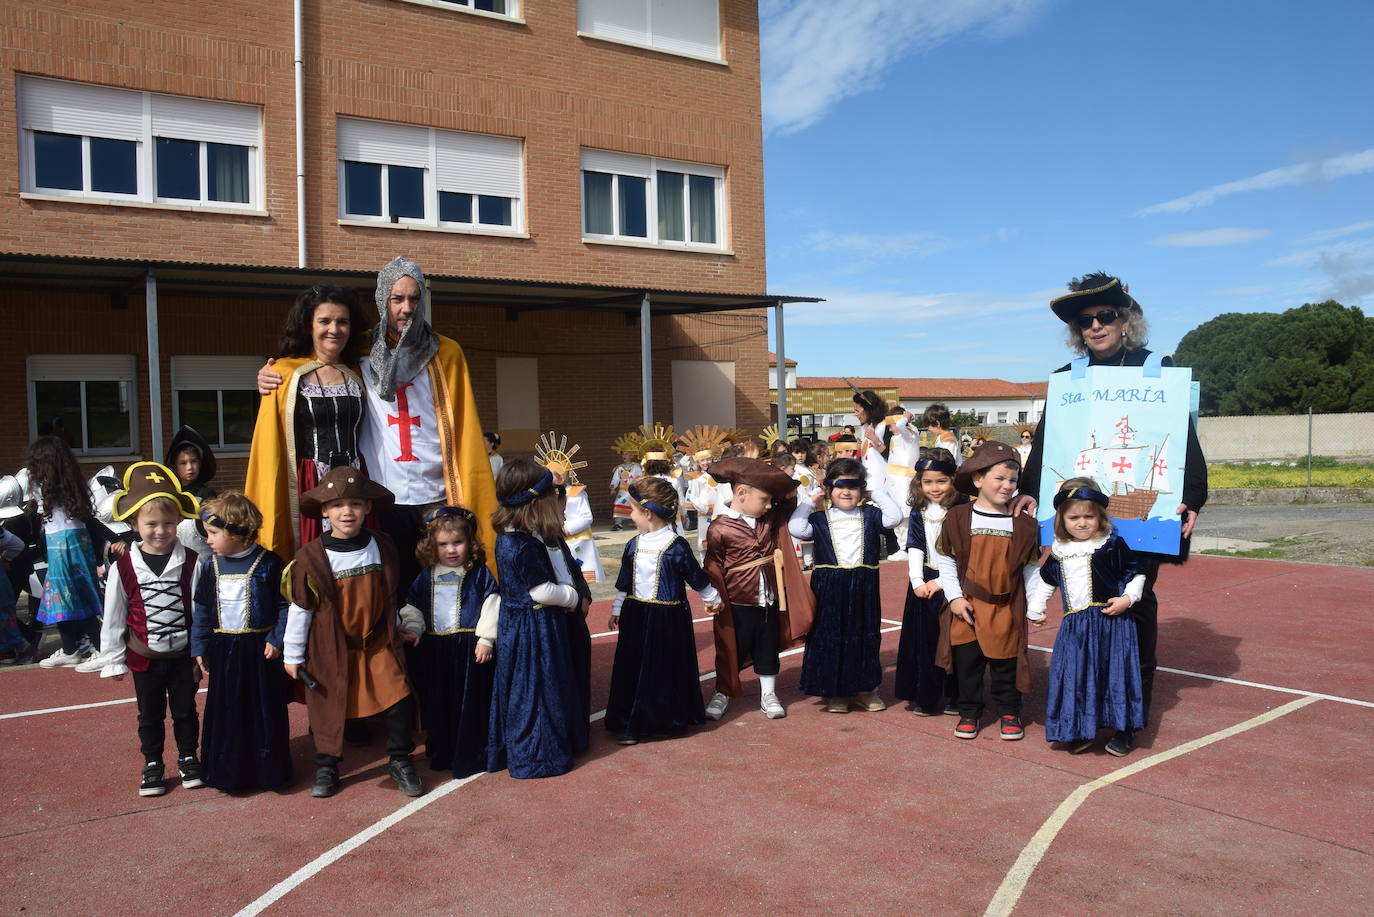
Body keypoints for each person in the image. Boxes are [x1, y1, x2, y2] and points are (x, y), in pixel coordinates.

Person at [1015, 271, 1208, 755]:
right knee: (1082, 613)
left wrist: (1194, 497)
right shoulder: (1066, 380)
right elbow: (1044, 446)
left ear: (1126, 321)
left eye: (1106, 316)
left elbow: (1184, 439)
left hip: (1139, 517)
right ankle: (1089, 713)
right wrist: (1027, 490)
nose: (1096, 326)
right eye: (1086, 321)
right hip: (1081, 517)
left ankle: (1127, 720)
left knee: (1133, 612)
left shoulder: (1155, 369)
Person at [255, 259, 499, 596]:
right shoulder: (360, 349)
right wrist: (270, 375)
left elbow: (463, 424)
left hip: (438, 491)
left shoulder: (446, 353)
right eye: (397, 299)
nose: (407, 308)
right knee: (386, 585)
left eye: (414, 299)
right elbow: (311, 365)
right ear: (382, 300)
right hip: (381, 494)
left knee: (444, 586)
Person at [282, 467, 424, 799]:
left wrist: (400, 627)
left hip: (378, 642)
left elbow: (390, 597)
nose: (347, 512)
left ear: (368, 508)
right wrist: (292, 654)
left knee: (399, 699)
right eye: (338, 505)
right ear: (325, 511)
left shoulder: (383, 546)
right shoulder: (312, 557)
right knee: (329, 709)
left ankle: (400, 760)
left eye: (356, 504)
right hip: (333, 648)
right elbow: (300, 609)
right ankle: (327, 766)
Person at [84, 462, 206, 796]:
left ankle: (188, 757)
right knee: (149, 715)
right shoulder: (124, 566)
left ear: (179, 522)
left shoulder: (194, 561)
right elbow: (114, 614)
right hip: (143, 657)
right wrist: (113, 658)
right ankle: (152, 763)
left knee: (185, 711)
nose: (160, 530)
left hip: (183, 657)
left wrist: (202, 650)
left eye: (168, 523)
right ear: (134, 523)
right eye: (151, 523)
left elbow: (200, 610)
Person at [246, 285, 369, 560]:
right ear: (308, 326)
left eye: (342, 322)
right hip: (309, 481)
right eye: (324, 321)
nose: (334, 329)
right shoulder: (284, 373)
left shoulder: (361, 370)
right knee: (313, 559)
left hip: (355, 477)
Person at [487, 460, 592, 779]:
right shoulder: (522, 545)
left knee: (528, 688)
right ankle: (538, 755)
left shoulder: (514, 535)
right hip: (533, 629)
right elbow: (541, 591)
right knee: (537, 691)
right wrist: (571, 596)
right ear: (535, 504)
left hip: (520, 624)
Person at [1027, 480, 1147, 756]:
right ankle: (1081, 727)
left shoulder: (1111, 545)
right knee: (1077, 675)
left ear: (1100, 517)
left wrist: (1127, 599)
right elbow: (1046, 581)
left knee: (1115, 675)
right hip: (1076, 627)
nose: (1082, 523)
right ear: (1062, 519)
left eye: (1088, 516)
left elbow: (1137, 573)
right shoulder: (1059, 552)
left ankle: (1123, 730)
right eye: (1074, 517)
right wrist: (1036, 608)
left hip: (1112, 623)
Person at [934, 441, 1040, 741]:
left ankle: (1009, 711)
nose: (1007, 486)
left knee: (1006, 663)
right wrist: (953, 598)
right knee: (968, 664)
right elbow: (946, 559)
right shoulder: (957, 517)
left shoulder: (1023, 524)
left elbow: (1030, 568)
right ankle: (969, 712)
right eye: (1000, 478)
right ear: (978, 479)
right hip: (967, 603)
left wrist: (1034, 606)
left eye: (1013, 480)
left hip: (1006, 606)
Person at [605, 477, 721, 744]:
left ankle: (661, 719)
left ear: (647, 513)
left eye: (633, 510)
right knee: (633, 667)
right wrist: (617, 607)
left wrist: (713, 598)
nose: (630, 515)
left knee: (661, 668)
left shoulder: (675, 545)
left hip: (667, 620)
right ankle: (628, 717)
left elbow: (696, 576)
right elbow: (625, 580)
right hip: (636, 615)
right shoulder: (633, 544)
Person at [190, 493, 293, 793]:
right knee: (228, 710)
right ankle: (230, 773)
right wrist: (199, 646)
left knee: (263, 709)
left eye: (213, 533)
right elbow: (203, 610)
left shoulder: (269, 564)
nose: (207, 540)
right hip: (225, 651)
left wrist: (276, 638)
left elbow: (285, 606)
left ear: (235, 531)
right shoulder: (210, 566)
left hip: (260, 651)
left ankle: (268, 771)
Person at [701, 457, 815, 722]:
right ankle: (722, 692)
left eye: (769, 501)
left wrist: (776, 480)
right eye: (764, 499)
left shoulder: (769, 520)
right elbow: (713, 566)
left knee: (767, 647)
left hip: (769, 600)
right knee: (730, 649)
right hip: (737, 603)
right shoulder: (719, 528)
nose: (768, 505)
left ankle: (769, 694)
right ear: (741, 493)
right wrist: (713, 597)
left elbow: (787, 499)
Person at [789, 457, 902, 713]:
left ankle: (865, 690)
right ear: (829, 489)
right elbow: (795, 527)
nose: (846, 492)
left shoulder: (872, 515)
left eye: (853, 487)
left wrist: (877, 494)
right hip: (830, 588)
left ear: (862, 490)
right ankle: (836, 692)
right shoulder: (819, 519)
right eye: (840, 486)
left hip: (863, 587)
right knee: (831, 638)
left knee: (865, 637)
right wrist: (811, 500)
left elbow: (894, 518)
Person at [399, 506, 499, 777]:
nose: (451, 550)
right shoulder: (425, 576)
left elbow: (493, 603)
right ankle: (444, 749)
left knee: (470, 701)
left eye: (458, 542)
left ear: (470, 542)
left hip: (469, 650)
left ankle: (472, 750)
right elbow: (413, 606)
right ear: (432, 545)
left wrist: (486, 639)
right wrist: (413, 628)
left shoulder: (479, 574)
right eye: (443, 544)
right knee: (438, 702)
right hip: (436, 651)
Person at [893, 449, 966, 716]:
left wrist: (942, 582)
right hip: (923, 586)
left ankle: (956, 694)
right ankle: (926, 693)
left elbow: (964, 553)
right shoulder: (919, 511)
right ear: (919, 483)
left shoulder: (963, 509)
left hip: (954, 584)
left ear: (953, 479)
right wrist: (916, 581)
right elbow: (915, 545)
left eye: (941, 481)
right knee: (925, 642)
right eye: (928, 482)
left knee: (956, 642)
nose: (934, 488)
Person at [27, 437, 108, 669]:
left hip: (67, 547)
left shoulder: (59, 488)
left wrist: (114, 538)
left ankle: (101, 649)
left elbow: (87, 520)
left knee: (78, 597)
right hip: (61, 546)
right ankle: (71, 649)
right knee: (59, 600)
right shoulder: (61, 486)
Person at [881, 406, 920, 556]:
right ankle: (901, 546)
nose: (890, 429)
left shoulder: (910, 435)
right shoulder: (895, 437)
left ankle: (906, 547)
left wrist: (906, 417)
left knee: (905, 515)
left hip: (904, 482)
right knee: (897, 514)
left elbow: (899, 426)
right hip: (893, 482)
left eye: (890, 425)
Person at [166, 425, 218, 502]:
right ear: (175, 466)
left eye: (194, 461)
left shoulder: (207, 494)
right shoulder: (169, 494)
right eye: (183, 463)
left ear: (200, 464)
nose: (190, 467)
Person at [609, 450, 642, 532]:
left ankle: (638, 522)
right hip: (623, 491)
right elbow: (615, 479)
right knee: (618, 503)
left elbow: (641, 477)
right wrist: (613, 488)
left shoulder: (636, 467)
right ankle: (618, 523)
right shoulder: (619, 468)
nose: (624, 456)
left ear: (631, 456)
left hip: (633, 490)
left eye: (626, 454)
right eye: (623, 454)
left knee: (635, 505)